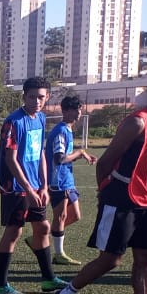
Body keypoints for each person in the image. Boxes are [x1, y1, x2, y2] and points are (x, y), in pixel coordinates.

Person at [51, 73, 147, 294]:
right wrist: (104, 192)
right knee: (111, 260)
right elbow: (106, 162)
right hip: (122, 198)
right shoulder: (138, 123)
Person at [0, 77, 67, 294]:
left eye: (41, 97)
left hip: (35, 186)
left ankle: (48, 279)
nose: (36, 101)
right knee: (15, 231)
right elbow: (10, 159)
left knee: (43, 228)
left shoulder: (41, 119)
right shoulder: (13, 122)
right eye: (32, 96)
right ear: (24, 96)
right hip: (16, 187)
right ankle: (0, 284)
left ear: (47, 98)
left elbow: (41, 154)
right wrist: (29, 188)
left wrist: (43, 185)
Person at [47, 96, 97, 265]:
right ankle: (58, 254)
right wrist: (80, 153)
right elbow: (59, 158)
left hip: (67, 180)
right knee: (60, 216)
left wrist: (79, 155)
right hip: (58, 180)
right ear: (65, 111)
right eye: (75, 109)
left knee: (75, 215)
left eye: (80, 109)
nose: (78, 113)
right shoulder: (61, 131)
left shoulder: (66, 130)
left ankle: (43, 237)